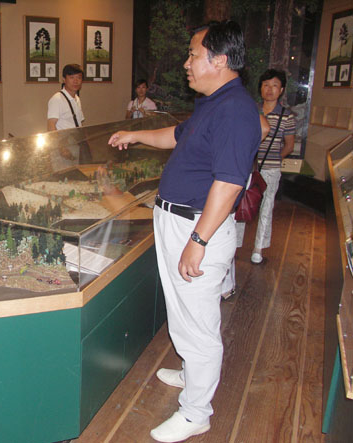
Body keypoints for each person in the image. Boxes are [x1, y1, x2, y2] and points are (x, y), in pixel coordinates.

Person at [108, 21, 261, 442]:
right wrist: (135, 134)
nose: (186, 63)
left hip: (197, 228)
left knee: (199, 323)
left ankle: (196, 412)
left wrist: (198, 241)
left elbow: (229, 183)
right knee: (182, 311)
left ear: (220, 60)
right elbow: (177, 136)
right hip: (178, 221)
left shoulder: (235, 111)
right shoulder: (213, 102)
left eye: (193, 55)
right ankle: (193, 372)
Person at [236, 69, 295, 264]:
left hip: (270, 169)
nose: (270, 89)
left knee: (266, 207)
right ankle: (234, 245)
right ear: (260, 87)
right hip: (247, 167)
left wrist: (274, 159)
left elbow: (289, 145)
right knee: (240, 204)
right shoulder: (251, 109)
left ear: (282, 90)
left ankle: (258, 249)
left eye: (275, 85)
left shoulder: (287, 116)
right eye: (266, 85)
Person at [47, 64, 84, 131]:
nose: (75, 81)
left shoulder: (77, 99)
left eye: (79, 77)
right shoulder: (57, 99)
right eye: (72, 77)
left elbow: (79, 123)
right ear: (64, 79)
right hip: (64, 138)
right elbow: (51, 127)